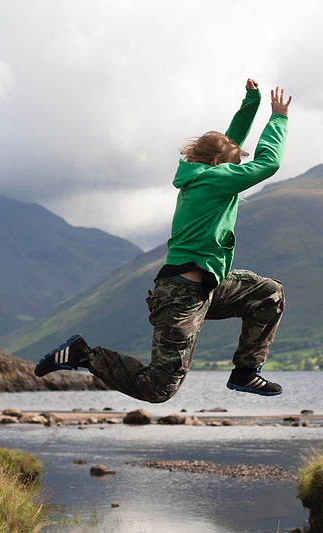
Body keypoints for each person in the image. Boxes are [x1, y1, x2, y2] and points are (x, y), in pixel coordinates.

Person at [34, 78, 291, 403]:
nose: (237, 168)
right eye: (234, 163)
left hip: (210, 287)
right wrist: (278, 118)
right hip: (180, 296)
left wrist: (251, 102)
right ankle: (84, 355)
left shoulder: (203, 174)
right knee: (159, 388)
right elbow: (270, 163)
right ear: (217, 165)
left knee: (269, 293)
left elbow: (230, 144)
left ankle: (244, 373)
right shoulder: (213, 180)